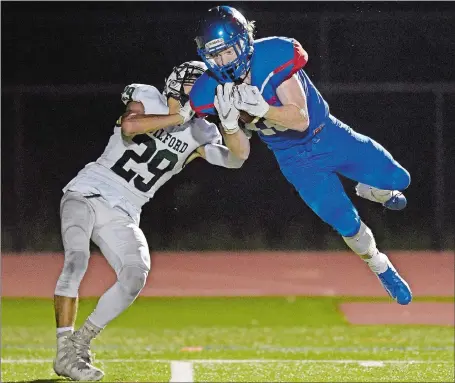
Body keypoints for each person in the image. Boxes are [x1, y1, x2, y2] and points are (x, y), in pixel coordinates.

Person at [189, 6, 412, 306]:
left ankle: (368, 188)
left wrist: (264, 110)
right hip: (296, 160)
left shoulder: (272, 58)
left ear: (244, 42)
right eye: (214, 56)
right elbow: (240, 154)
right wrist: (229, 126)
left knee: (400, 178)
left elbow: (301, 119)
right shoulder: (212, 91)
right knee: (346, 223)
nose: (222, 62)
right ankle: (379, 265)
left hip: (329, 135)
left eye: (227, 52)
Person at [53, 60, 250, 381]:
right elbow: (131, 126)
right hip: (88, 190)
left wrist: (230, 125)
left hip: (126, 210)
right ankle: (63, 349)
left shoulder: (200, 132)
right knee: (77, 259)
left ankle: (80, 342)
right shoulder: (147, 97)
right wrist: (179, 116)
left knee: (135, 275)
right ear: (176, 82)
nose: (200, 93)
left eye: (206, 89)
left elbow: (236, 159)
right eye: (194, 85)